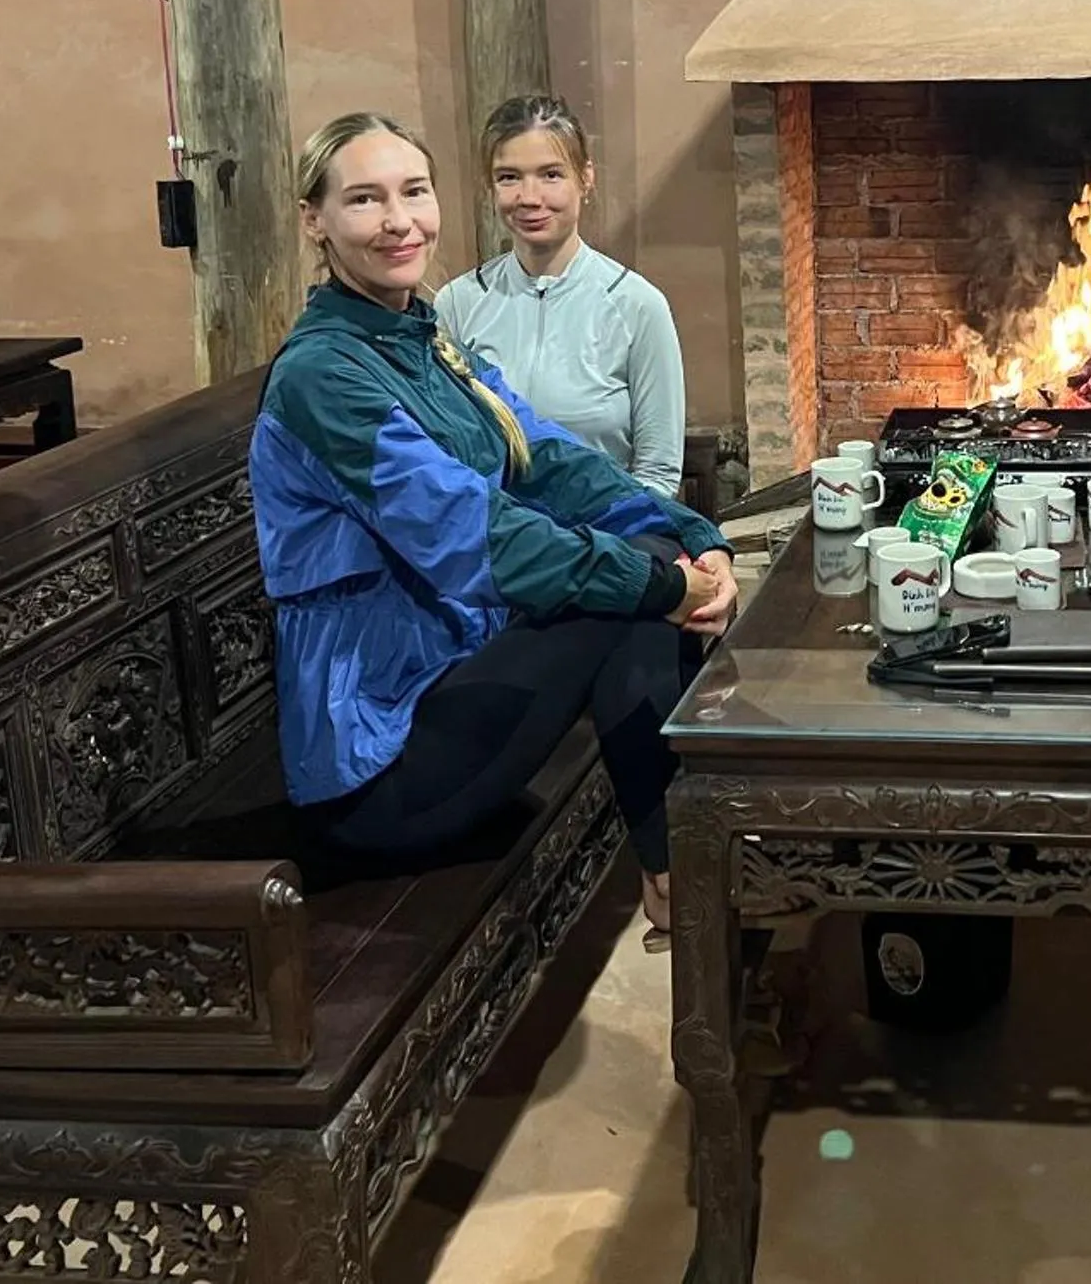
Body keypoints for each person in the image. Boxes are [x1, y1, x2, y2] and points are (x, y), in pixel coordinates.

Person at [251, 111, 738, 946]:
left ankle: (672, 873)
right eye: (365, 200)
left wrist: (698, 535)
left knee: (645, 565)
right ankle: (680, 879)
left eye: (414, 191)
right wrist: (668, 584)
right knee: (627, 593)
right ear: (314, 220)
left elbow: (544, 458)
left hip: (451, 674)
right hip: (375, 764)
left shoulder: (421, 334)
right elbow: (474, 536)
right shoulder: (325, 375)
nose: (400, 220)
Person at [435, 95, 690, 497]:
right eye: (509, 177)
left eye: (551, 174)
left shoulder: (638, 306)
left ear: (585, 177)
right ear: (491, 187)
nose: (530, 197)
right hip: (496, 543)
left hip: (607, 541)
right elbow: (444, 449)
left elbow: (657, 474)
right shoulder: (457, 304)